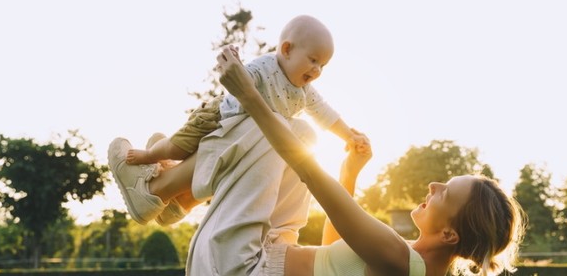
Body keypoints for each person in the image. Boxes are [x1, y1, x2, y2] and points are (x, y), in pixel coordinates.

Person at [109, 45, 526, 275]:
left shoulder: (402, 262)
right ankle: (180, 197)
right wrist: (349, 172)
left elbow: (310, 173)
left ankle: (158, 189)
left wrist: (249, 94)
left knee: (276, 126)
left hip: (236, 268)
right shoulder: (405, 261)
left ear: (451, 235)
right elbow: (334, 250)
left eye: (445, 192)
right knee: (304, 133)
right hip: (264, 254)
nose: (433, 186)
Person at [122, 14, 369, 226]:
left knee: (280, 141)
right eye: (313, 60)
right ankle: (150, 157)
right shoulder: (267, 67)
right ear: (287, 49)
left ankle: (176, 200)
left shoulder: (305, 91)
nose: (317, 71)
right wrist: (236, 65)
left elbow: (325, 113)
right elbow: (242, 78)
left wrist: (348, 135)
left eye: (323, 66)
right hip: (218, 117)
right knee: (176, 148)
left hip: (245, 136)